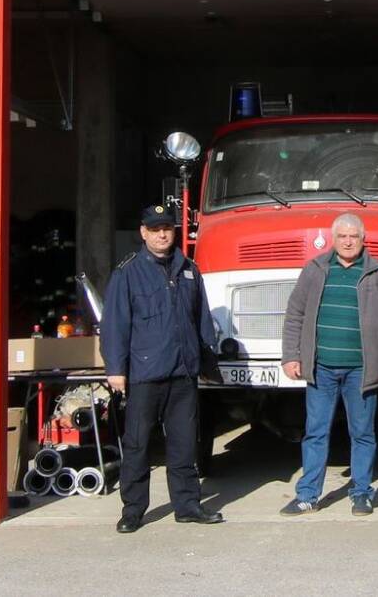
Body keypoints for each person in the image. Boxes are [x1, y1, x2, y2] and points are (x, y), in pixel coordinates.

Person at [101, 203, 224, 533]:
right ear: (143, 233)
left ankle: (187, 505)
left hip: (182, 372)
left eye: (166, 229)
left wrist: (205, 361)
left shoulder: (189, 269)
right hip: (145, 373)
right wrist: (116, 369)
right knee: (138, 445)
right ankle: (133, 510)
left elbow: (201, 319)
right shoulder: (127, 273)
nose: (161, 235)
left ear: (174, 231)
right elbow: (115, 324)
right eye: (154, 230)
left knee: (185, 444)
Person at [279, 212, 378, 517]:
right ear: (333, 239)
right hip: (321, 368)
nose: (348, 242)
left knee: (362, 433)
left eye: (354, 237)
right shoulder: (316, 269)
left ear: (364, 240)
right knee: (315, 432)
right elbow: (295, 314)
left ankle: (361, 493)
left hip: (361, 371)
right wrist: (291, 355)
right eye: (342, 236)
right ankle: (308, 495)